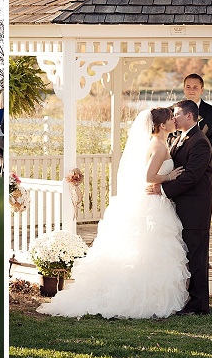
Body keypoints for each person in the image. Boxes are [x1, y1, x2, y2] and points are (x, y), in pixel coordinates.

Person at [39, 107, 189, 318]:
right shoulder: (159, 146)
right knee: (150, 249)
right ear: (162, 125)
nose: (174, 120)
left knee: (150, 250)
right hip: (153, 203)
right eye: (170, 119)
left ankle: (151, 295)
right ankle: (144, 298)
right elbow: (149, 177)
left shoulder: (160, 143)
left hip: (155, 201)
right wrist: (170, 177)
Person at [148, 100, 212, 315]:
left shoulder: (200, 142)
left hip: (196, 209)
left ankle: (198, 305)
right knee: (187, 255)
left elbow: (192, 177)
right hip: (182, 207)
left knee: (197, 257)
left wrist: (163, 189)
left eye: (176, 114)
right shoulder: (179, 138)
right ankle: (187, 299)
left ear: (189, 116)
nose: (173, 118)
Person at [180, 73, 212, 189]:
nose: (191, 90)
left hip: (205, 173)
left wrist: (203, 148)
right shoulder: (173, 111)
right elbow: (167, 136)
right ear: (183, 89)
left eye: (195, 87)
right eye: (188, 87)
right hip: (178, 172)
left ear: (202, 90)